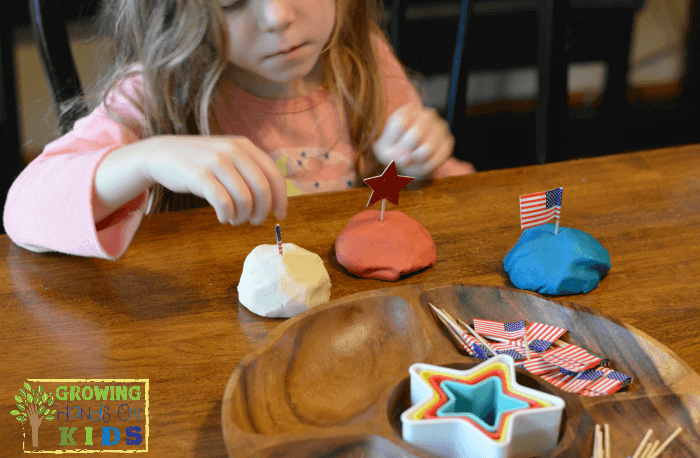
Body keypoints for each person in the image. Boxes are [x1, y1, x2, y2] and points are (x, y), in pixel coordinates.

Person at [3, 0, 475, 260]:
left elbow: (419, 194)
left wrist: (418, 159)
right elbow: (24, 211)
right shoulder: (155, 93)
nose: (277, 16)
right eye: (232, 2)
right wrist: (148, 157)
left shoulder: (362, 58)